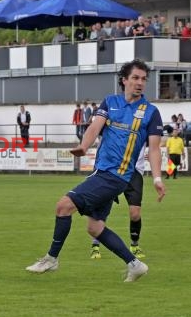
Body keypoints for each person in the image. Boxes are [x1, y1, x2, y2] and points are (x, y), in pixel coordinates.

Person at [26, 59, 166, 282]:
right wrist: (84, 146)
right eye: (135, 78)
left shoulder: (151, 112)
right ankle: (135, 264)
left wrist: (157, 178)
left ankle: (51, 259)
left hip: (116, 176)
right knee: (95, 227)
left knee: (63, 206)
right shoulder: (110, 102)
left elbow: (155, 148)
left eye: (143, 79)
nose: (140, 83)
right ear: (124, 80)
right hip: (102, 173)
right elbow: (94, 127)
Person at [90, 146, 146, 259]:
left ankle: (134, 245)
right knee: (102, 206)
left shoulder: (145, 128)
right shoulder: (114, 129)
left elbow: (156, 141)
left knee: (135, 213)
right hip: (113, 169)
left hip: (134, 172)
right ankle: (95, 246)